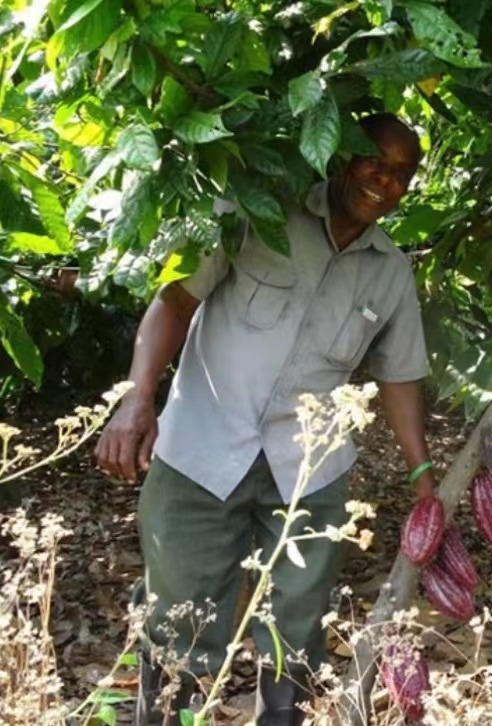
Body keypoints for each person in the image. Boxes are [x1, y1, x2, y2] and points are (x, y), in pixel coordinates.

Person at [95, 113, 436, 725]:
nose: (385, 182)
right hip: (201, 448)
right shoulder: (259, 211)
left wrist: (423, 479)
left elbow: (400, 375)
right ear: (342, 156)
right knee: (178, 626)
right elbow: (174, 301)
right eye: (375, 162)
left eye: (401, 174)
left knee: (296, 638)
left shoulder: (390, 271)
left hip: (309, 469)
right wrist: (136, 399)